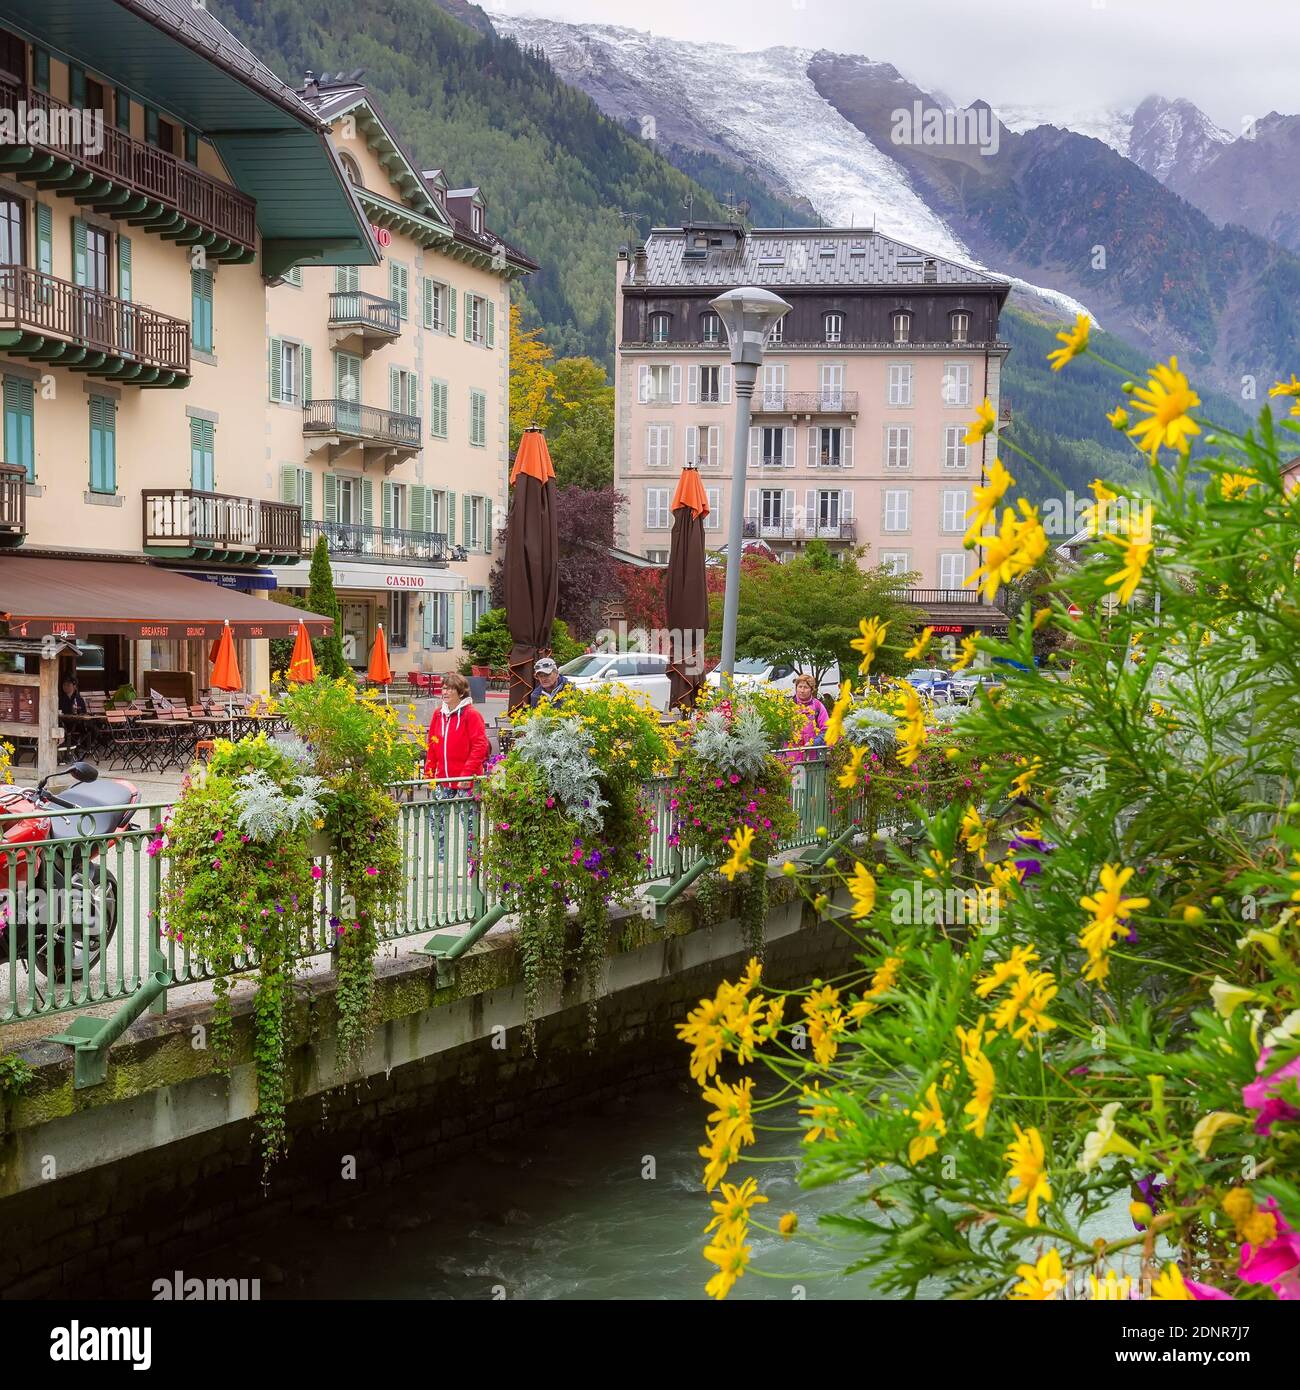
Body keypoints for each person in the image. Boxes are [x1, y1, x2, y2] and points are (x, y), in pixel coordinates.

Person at [792, 675, 829, 756]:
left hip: (812, 754)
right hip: (792, 753)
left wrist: (813, 743)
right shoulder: (788, 706)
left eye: (806, 687)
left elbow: (826, 731)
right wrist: (790, 734)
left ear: (811, 690)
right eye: (800, 686)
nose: (802, 690)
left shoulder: (818, 706)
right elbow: (780, 731)